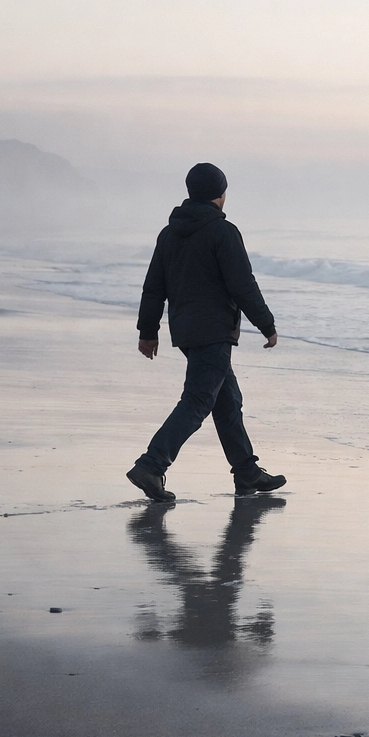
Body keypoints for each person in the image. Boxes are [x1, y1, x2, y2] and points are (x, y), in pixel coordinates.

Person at [126, 162, 286, 503]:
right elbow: (242, 284)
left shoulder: (169, 233)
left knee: (227, 401)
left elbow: (154, 286)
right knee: (198, 401)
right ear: (221, 194)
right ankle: (151, 465)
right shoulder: (223, 232)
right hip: (214, 331)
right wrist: (267, 324)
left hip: (185, 330)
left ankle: (246, 472)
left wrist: (148, 330)